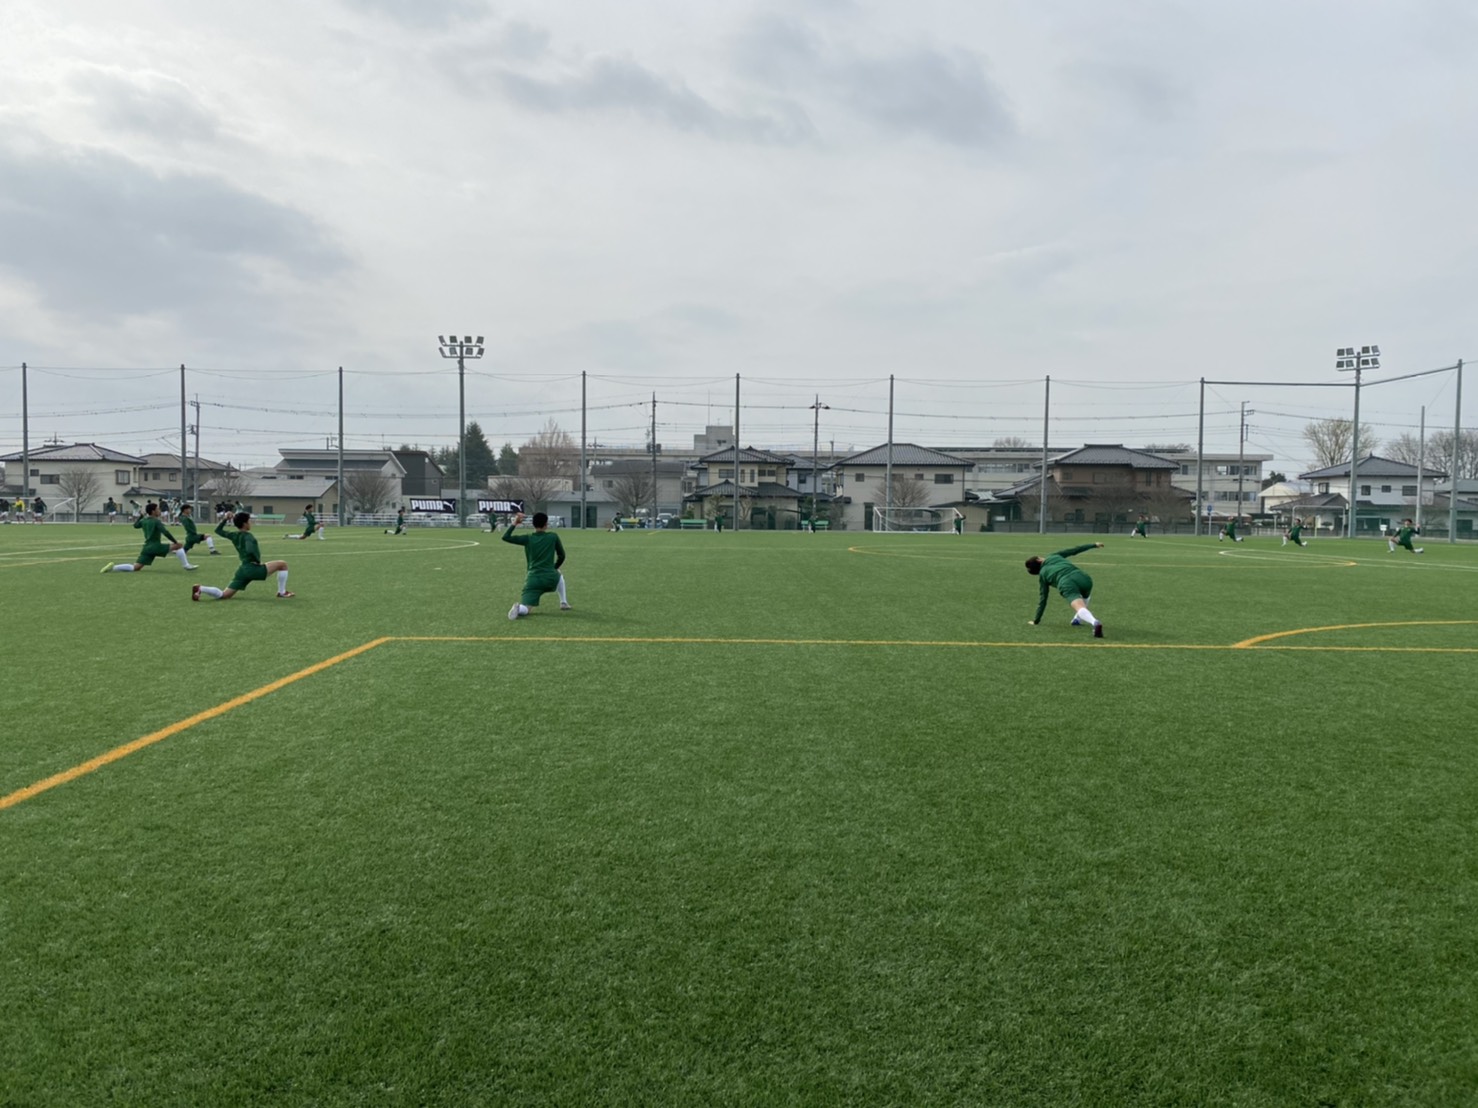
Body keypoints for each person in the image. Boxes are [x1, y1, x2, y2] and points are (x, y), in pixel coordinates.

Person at [191, 511, 293, 600]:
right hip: (252, 568)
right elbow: (250, 550)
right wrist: (257, 561)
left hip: (243, 570)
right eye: (249, 521)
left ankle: (201, 588)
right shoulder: (248, 536)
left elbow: (218, 530)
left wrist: (225, 519)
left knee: (225, 595)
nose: (250, 523)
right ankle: (282, 592)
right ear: (245, 524)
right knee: (282, 564)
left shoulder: (234, 535)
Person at [1025, 541, 1106, 638]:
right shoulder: (1053, 556)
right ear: (1039, 560)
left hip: (1066, 584)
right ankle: (1077, 620)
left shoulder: (1042, 575)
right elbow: (1074, 550)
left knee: (1079, 606)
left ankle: (1095, 622)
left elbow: (1043, 599)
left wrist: (1036, 620)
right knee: (1085, 596)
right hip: (1083, 577)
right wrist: (1094, 545)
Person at [502, 511, 570, 619]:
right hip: (550, 577)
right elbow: (562, 555)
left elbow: (506, 537)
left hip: (533, 580)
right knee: (559, 575)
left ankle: (519, 608)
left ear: (533, 524)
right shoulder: (553, 536)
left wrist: (515, 522)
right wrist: (554, 568)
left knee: (527, 608)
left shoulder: (528, 538)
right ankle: (563, 602)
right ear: (546, 524)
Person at [102, 502, 196, 573]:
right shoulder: (156, 521)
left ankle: (113, 568)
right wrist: (175, 542)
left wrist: (141, 517)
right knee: (179, 546)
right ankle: (186, 565)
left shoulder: (144, 521)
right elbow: (165, 532)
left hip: (147, 548)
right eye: (158, 509)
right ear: (153, 511)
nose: (159, 511)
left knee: (136, 567)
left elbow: (135, 525)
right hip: (155, 546)